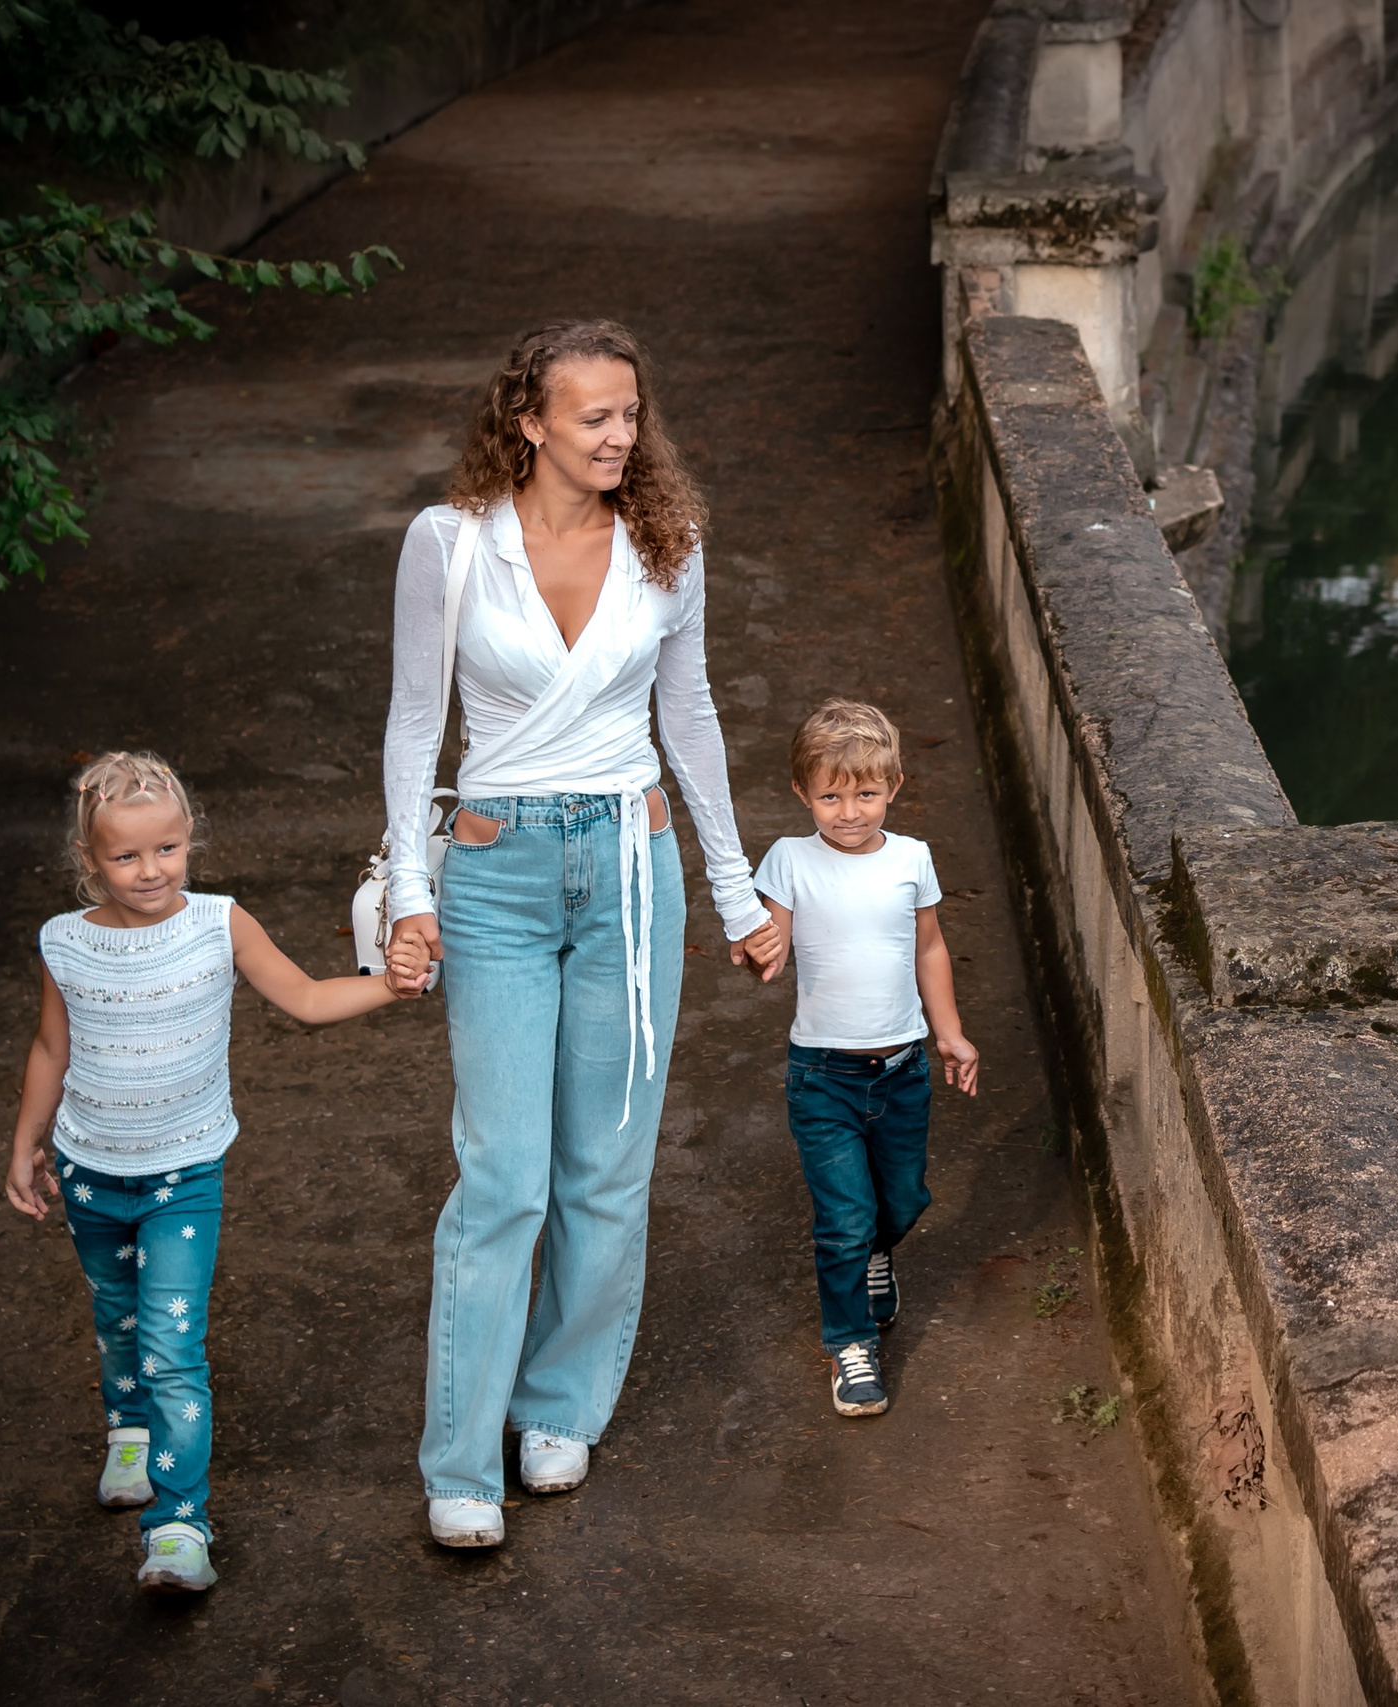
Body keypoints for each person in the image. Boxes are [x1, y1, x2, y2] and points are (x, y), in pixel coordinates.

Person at [378, 320, 785, 1550]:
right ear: (529, 422)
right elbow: (410, 726)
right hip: (495, 874)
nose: (619, 436)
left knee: (605, 1165)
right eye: (594, 415)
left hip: (630, 865)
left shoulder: (668, 545)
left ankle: (561, 1403)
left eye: (630, 415)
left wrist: (733, 889)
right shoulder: (449, 547)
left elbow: (693, 717)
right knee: (502, 1175)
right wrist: (409, 889)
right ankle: (460, 1458)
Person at [2, 751, 409, 1595]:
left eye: (168, 850)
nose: (150, 871)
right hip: (89, 1170)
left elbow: (301, 996)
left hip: (182, 1178)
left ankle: (180, 1523)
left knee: (173, 1348)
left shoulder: (218, 924)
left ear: (189, 844)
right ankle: (128, 1430)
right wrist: (25, 1142)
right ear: (90, 861)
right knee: (115, 1317)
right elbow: (52, 1046)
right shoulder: (65, 944)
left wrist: (390, 989)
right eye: (126, 856)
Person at [750, 700, 979, 1418]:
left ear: (895, 786)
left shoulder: (912, 859)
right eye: (831, 795)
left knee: (901, 1199)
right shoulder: (790, 860)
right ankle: (851, 1343)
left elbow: (929, 946)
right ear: (802, 793)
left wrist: (951, 1033)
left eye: (866, 793)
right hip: (824, 1076)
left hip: (904, 1067)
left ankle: (882, 1253)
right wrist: (756, 945)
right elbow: (771, 942)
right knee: (844, 1216)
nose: (849, 811)